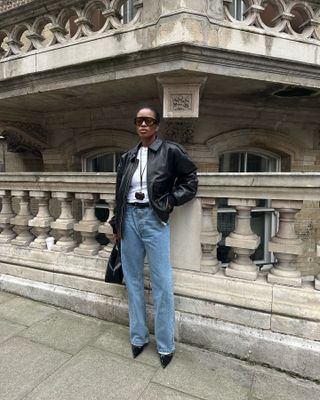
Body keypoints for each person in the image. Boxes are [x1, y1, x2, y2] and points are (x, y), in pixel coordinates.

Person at [111, 106, 198, 368]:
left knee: (161, 282)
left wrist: (170, 201)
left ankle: (165, 345)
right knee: (133, 280)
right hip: (128, 219)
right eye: (139, 121)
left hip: (153, 218)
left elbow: (190, 180)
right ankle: (138, 337)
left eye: (148, 121)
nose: (143, 125)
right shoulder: (128, 156)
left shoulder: (170, 151)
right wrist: (116, 223)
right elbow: (118, 191)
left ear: (157, 125)